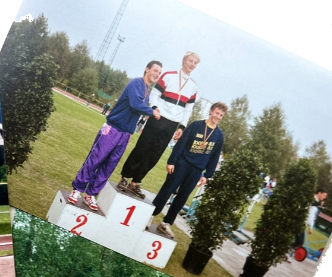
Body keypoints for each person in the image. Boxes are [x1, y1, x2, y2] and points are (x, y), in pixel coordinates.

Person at [68, 61, 163, 211]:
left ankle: (91, 195)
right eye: (155, 70)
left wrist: (130, 131)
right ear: (147, 69)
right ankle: (77, 190)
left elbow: (135, 113)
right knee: (96, 160)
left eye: (159, 72)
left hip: (125, 134)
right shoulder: (136, 83)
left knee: (109, 166)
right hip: (113, 129)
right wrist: (153, 112)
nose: (157, 74)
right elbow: (135, 104)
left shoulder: (146, 90)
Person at [117, 52, 200, 199]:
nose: (192, 64)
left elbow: (188, 109)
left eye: (195, 63)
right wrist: (155, 108)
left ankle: (136, 182)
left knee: (154, 154)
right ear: (184, 61)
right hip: (158, 117)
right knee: (142, 148)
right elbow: (154, 94)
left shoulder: (193, 86)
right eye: (190, 61)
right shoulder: (168, 75)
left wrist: (181, 127)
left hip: (172, 124)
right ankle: (125, 177)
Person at [148, 102, 228, 239]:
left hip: (196, 170)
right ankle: (150, 216)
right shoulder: (196, 125)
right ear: (211, 111)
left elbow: (214, 156)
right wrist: (172, 161)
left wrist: (207, 175)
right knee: (167, 190)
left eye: (221, 115)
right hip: (182, 164)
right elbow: (181, 143)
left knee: (182, 198)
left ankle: (166, 223)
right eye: (216, 113)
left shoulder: (219, 135)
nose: (218, 117)